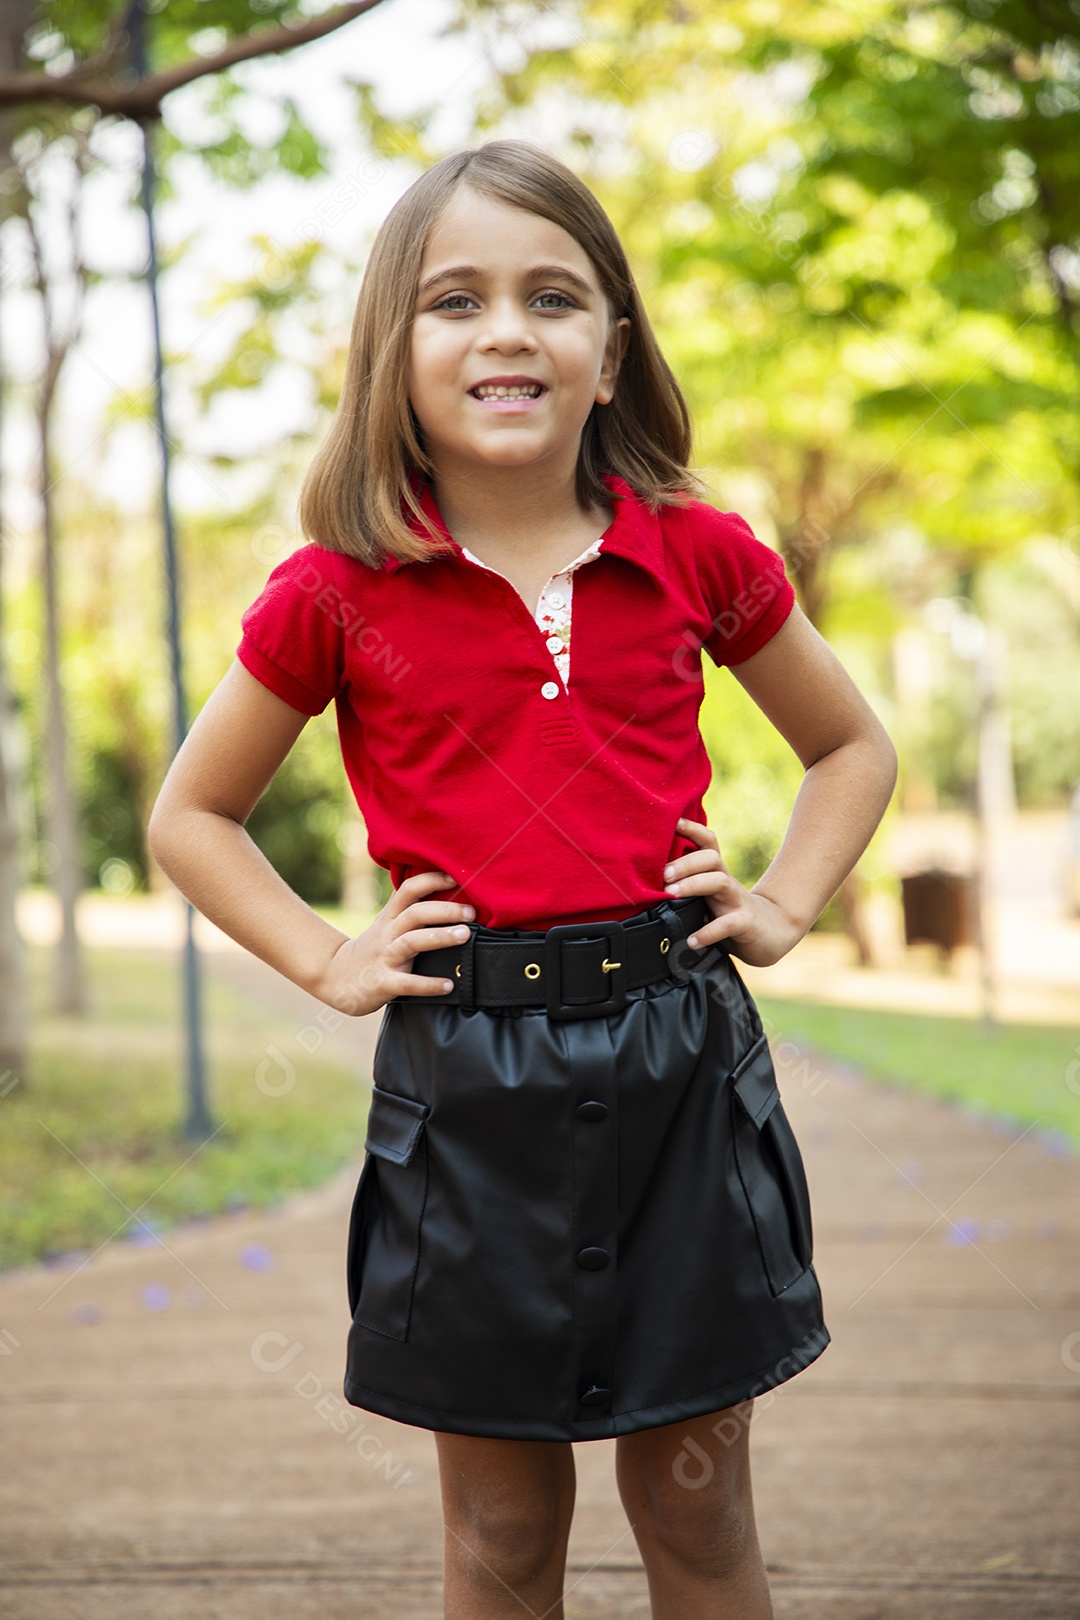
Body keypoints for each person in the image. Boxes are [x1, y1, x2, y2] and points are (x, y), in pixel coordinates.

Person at [148, 139, 897, 1620]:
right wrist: (326, 961)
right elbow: (192, 815)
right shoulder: (334, 590)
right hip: (467, 1094)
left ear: (611, 351)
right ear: (394, 355)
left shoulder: (697, 552)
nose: (506, 330)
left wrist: (788, 903)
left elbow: (851, 745)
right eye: (455, 302)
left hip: (684, 1066)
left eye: (553, 296)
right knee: (498, 1534)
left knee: (702, 1516)